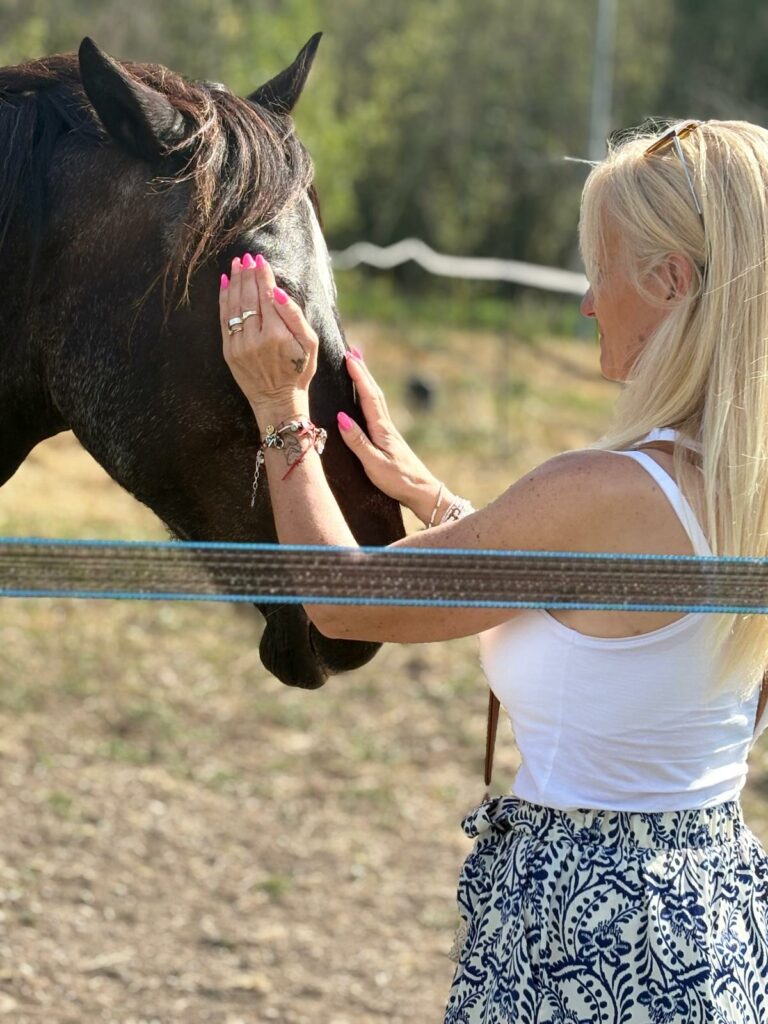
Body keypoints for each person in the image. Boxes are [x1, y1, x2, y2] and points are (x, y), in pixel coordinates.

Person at [218, 120, 768, 1023]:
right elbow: (612, 612)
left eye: (603, 267)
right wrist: (437, 501)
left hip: (589, 935)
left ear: (670, 282)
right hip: (705, 918)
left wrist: (279, 411)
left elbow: (343, 603)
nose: (589, 301)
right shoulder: (736, 482)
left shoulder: (605, 490)